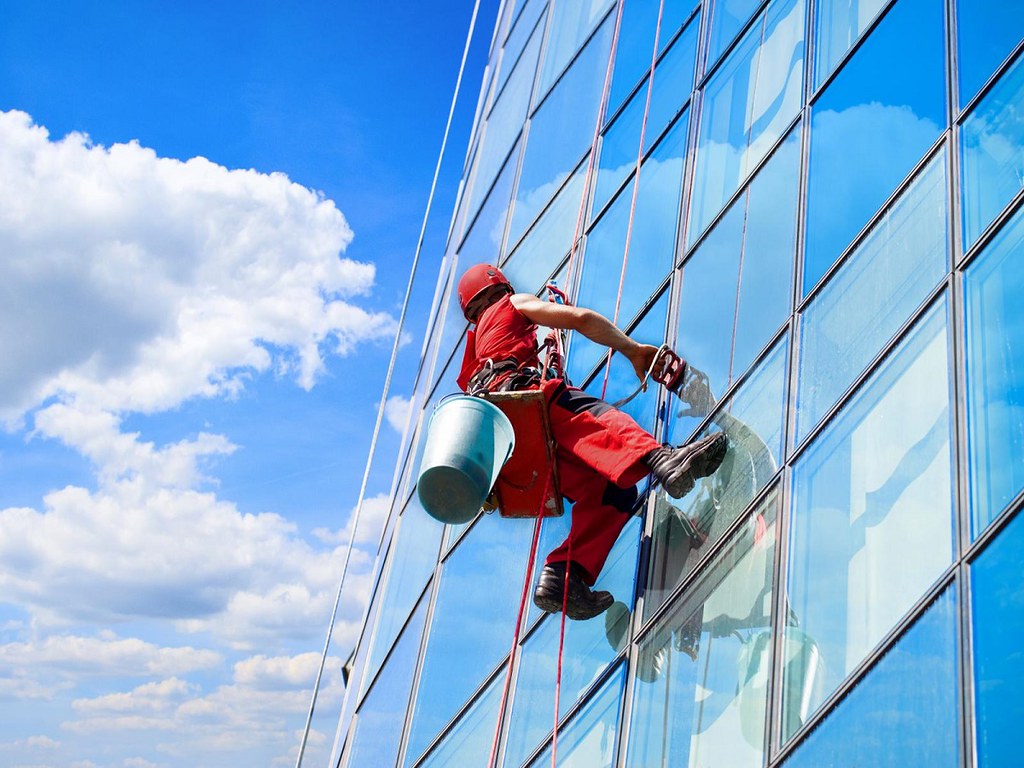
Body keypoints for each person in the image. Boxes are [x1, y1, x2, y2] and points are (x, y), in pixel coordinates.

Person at [455, 263, 728, 621]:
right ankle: (665, 460)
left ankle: (565, 576)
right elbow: (581, 319)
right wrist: (632, 350)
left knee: (612, 493)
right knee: (596, 418)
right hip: (522, 402)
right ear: (499, 288)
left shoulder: (475, 348)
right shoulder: (512, 305)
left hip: (514, 451)